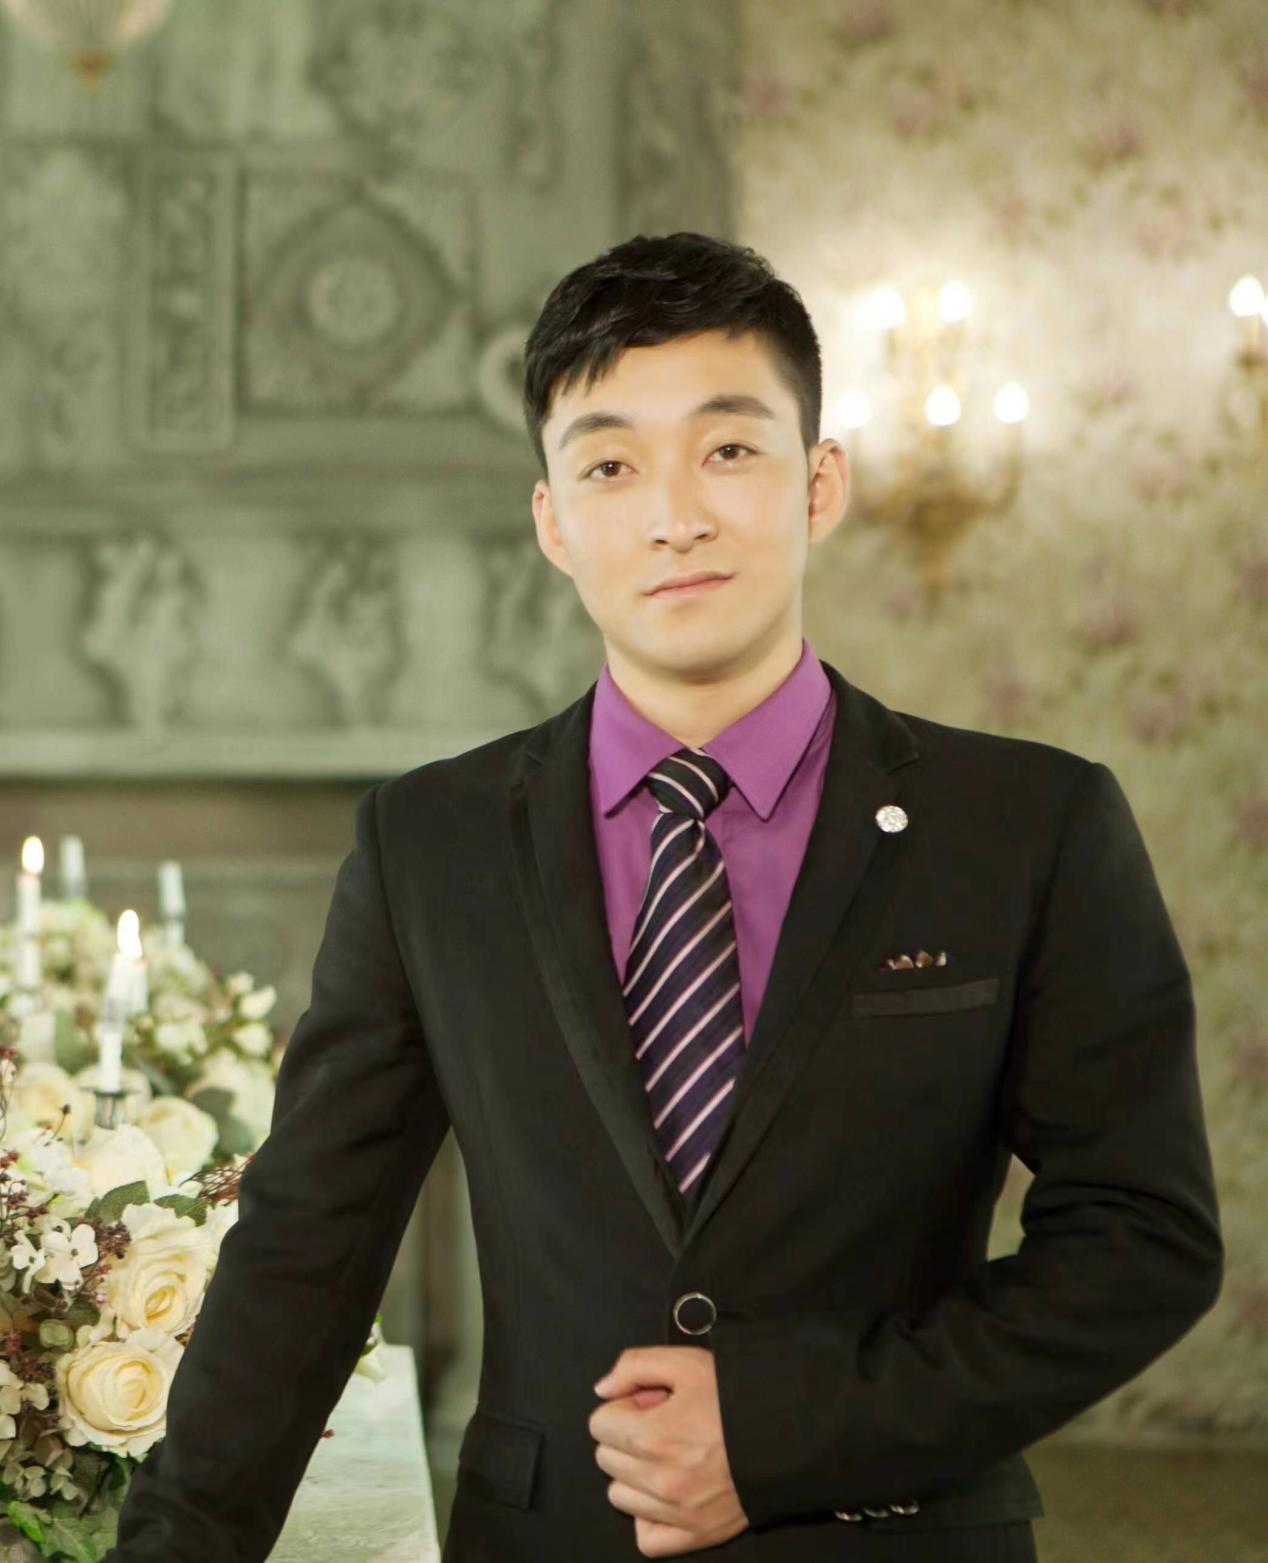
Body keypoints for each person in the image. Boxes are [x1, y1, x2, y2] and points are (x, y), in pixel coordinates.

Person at [106, 231, 1223, 1562]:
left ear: (820, 483)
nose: (673, 515)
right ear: (552, 522)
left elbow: (1140, 1239)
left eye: (729, 449)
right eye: (611, 466)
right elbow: (308, 1248)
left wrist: (786, 1429)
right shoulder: (430, 845)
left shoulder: (1029, 824)